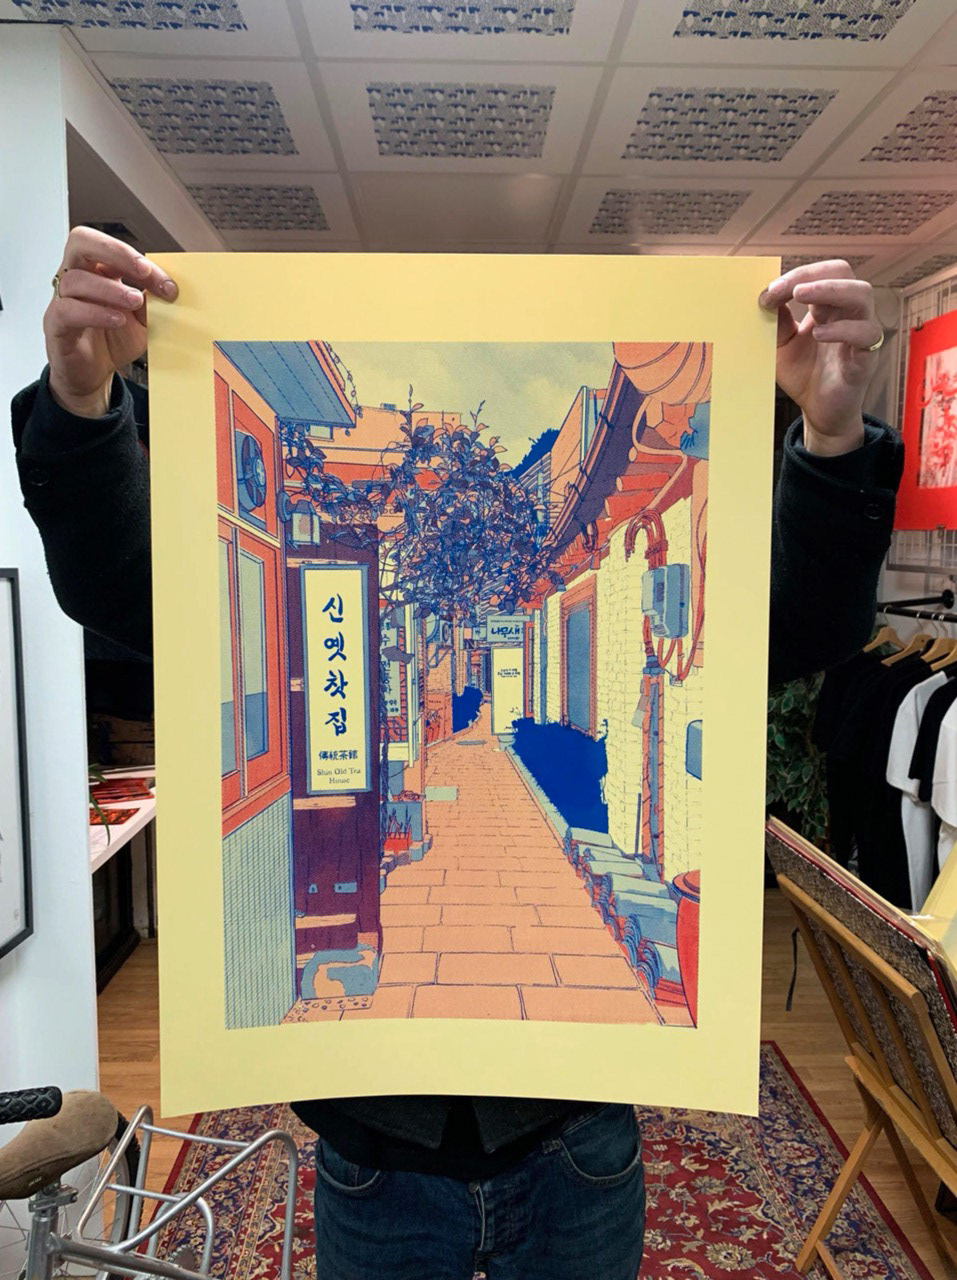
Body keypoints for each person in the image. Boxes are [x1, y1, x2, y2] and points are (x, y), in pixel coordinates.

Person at [11, 227, 902, 1280]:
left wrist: (830, 435)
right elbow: (118, 589)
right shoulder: (285, 574)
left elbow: (804, 626)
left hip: (581, 1138)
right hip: (373, 1155)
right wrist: (81, 408)